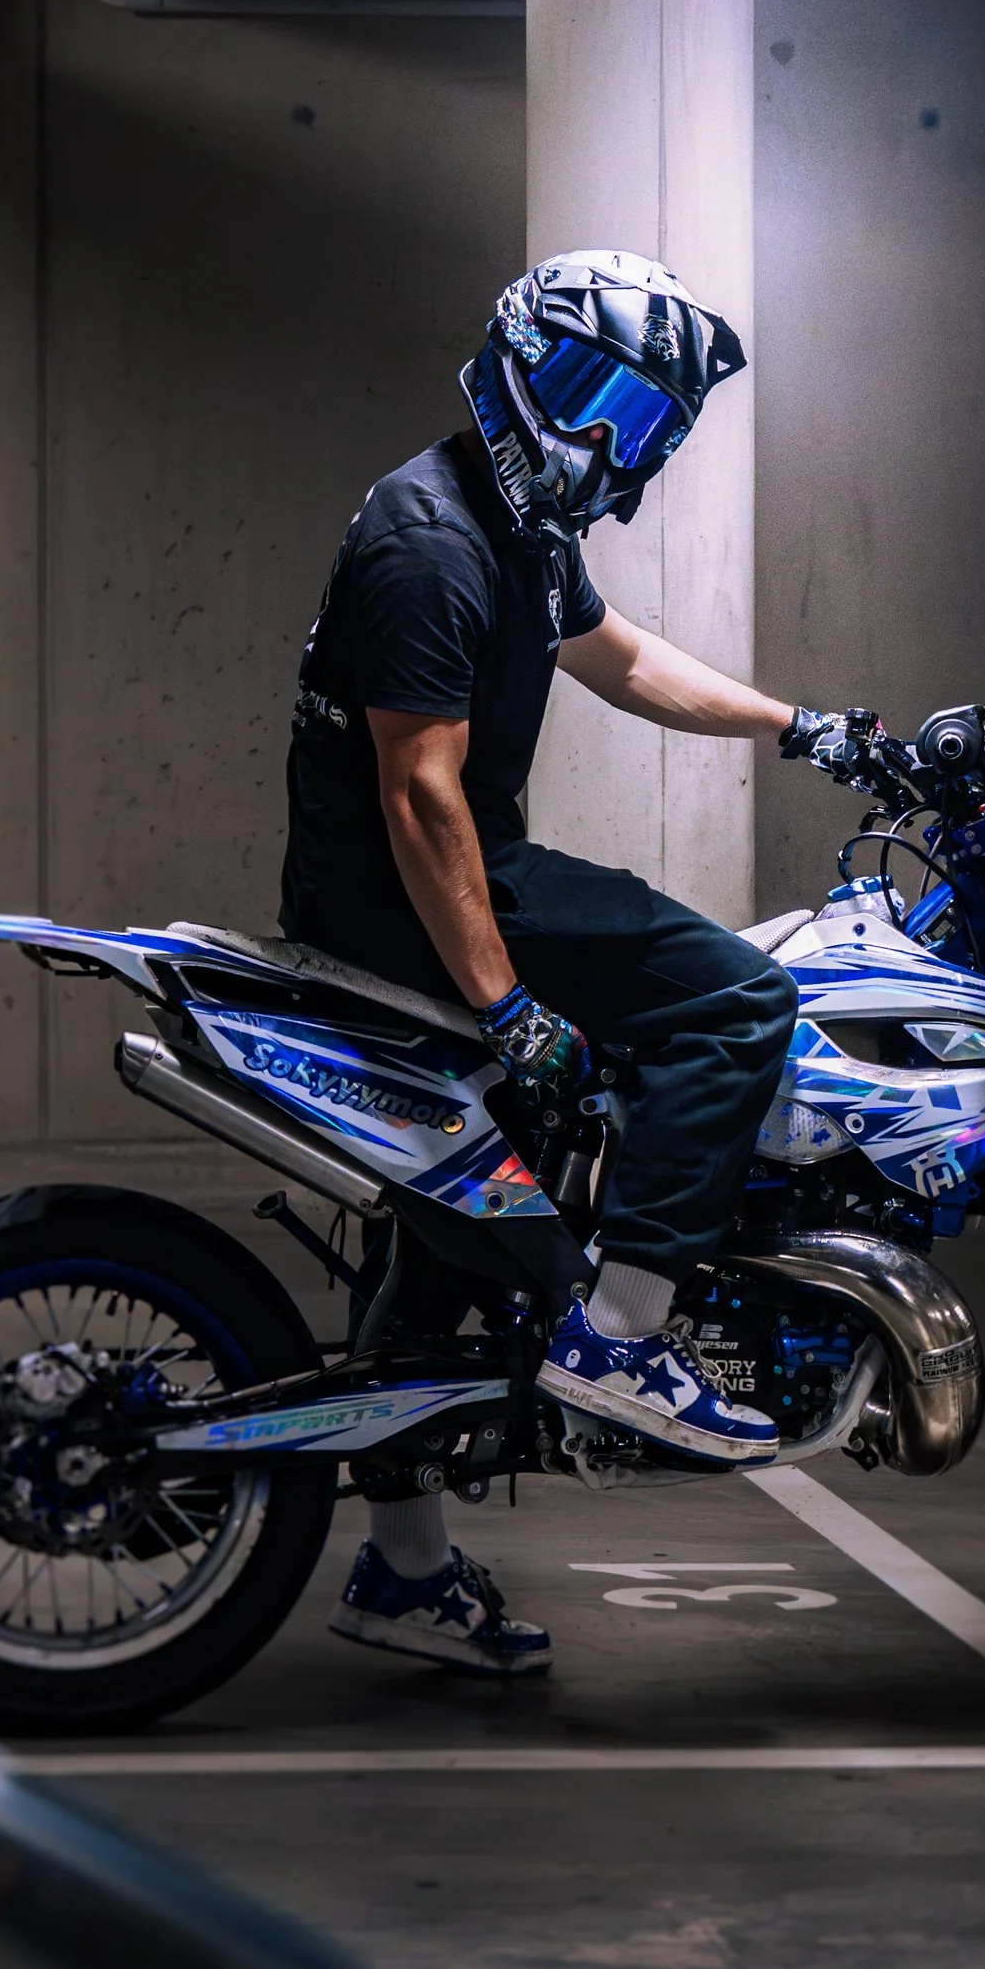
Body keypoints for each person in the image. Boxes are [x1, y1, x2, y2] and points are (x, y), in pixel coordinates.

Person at [278, 247, 870, 1680]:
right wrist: (505, 1003)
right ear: (527, 373)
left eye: (648, 420)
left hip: (433, 874)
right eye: (603, 398)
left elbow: (622, 659)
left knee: (460, 1221)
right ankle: (623, 1330)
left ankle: (406, 1575)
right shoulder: (429, 540)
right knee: (737, 998)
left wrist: (808, 728)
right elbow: (420, 797)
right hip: (410, 895)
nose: (622, 444)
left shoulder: (514, 523)